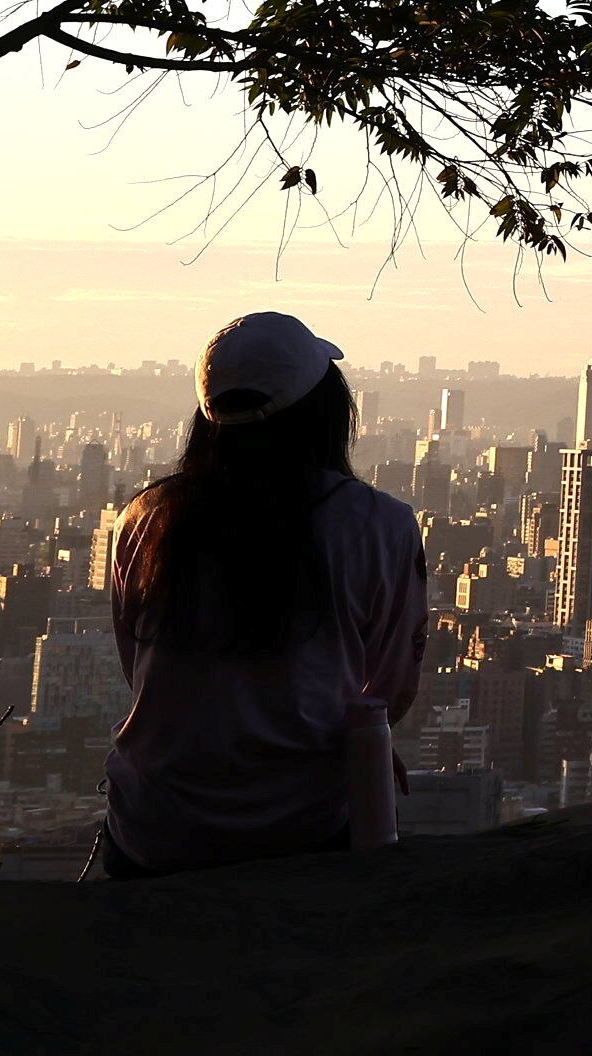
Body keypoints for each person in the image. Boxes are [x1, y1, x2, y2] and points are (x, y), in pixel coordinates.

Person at [98, 312, 428, 877]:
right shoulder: (380, 526)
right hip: (304, 826)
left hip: (156, 828)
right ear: (327, 411)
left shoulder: (147, 520)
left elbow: (140, 667)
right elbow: (387, 691)